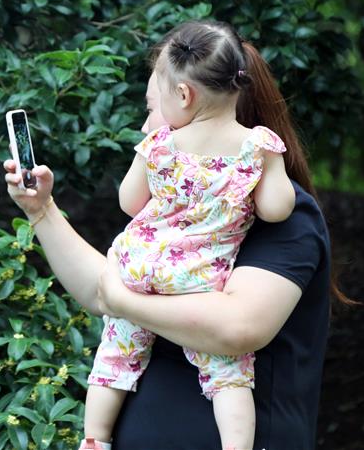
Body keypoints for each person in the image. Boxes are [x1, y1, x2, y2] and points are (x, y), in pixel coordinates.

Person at [3, 19, 337, 449]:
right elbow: (101, 288)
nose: (145, 128)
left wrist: (121, 300)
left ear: (186, 97)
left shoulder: (288, 219)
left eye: (150, 108)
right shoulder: (175, 205)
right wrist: (41, 210)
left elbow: (236, 327)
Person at [81, 22, 295, 450]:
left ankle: (94, 438)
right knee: (228, 374)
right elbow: (277, 208)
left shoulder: (161, 145)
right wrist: (269, 174)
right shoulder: (258, 147)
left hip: (139, 267)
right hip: (198, 280)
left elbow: (129, 201)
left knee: (116, 353)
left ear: (183, 96)